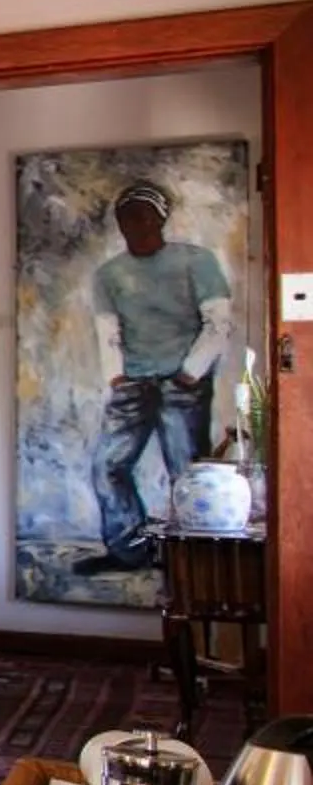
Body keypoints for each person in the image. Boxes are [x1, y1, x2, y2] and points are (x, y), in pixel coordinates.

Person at [81, 180, 235, 572]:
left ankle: (193, 556)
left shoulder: (195, 261)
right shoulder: (109, 274)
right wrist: (116, 378)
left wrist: (190, 372)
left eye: (144, 215)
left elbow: (218, 323)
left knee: (186, 471)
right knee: (108, 467)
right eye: (127, 216)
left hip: (182, 382)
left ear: (160, 218)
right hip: (134, 382)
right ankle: (129, 550)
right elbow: (108, 331)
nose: (135, 223)